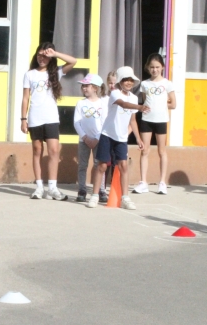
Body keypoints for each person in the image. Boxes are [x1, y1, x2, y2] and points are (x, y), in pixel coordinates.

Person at [21, 42, 77, 200]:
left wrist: (55, 53)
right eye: (39, 55)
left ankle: (52, 187)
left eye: (45, 56)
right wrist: (23, 119)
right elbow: (25, 98)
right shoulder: (30, 74)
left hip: (51, 117)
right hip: (34, 117)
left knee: (53, 150)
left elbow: (73, 61)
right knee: (37, 151)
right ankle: (39, 186)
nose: (42, 58)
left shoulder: (56, 72)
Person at [88, 66, 147, 209]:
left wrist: (138, 138)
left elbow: (132, 120)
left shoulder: (133, 97)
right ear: (120, 81)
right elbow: (123, 104)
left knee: (123, 166)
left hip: (121, 138)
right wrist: (140, 107)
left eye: (131, 80)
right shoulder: (115, 94)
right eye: (125, 80)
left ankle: (125, 197)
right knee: (101, 165)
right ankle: (95, 195)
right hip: (107, 134)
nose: (128, 82)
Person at [133, 53, 176, 195]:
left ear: (162, 67)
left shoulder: (167, 84)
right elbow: (145, 100)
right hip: (146, 119)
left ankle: (162, 182)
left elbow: (173, 104)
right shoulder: (145, 84)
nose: (155, 70)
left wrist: (162, 105)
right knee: (145, 150)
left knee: (161, 151)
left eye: (157, 67)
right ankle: (143, 182)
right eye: (152, 67)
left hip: (161, 120)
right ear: (148, 68)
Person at [73, 74, 108, 202]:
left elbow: (105, 123)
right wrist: (85, 137)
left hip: (99, 141)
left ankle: (101, 190)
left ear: (95, 88)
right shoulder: (80, 103)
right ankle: (82, 189)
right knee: (82, 165)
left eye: (86, 86)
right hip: (84, 141)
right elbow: (76, 122)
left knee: (99, 165)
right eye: (83, 86)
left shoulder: (103, 104)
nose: (84, 88)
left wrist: (97, 138)